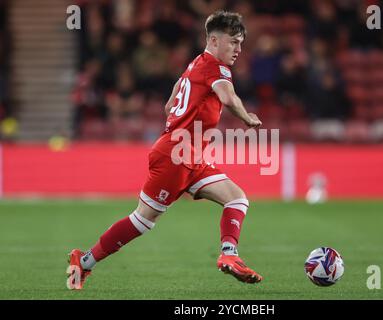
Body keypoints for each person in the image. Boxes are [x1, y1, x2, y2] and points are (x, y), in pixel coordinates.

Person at [67, 11, 263, 290]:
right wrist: (246, 117)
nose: (238, 50)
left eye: (241, 43)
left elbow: (170, 104)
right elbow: (227, 96)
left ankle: (229, 256)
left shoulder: (195, 64)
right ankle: (83, 261)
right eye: (233, 42)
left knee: (237, 199)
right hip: (177, 154)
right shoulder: (217, 69)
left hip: (188, 153)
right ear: (214, 40)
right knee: (143, 221)